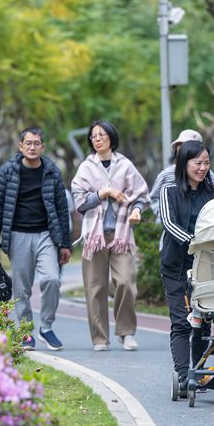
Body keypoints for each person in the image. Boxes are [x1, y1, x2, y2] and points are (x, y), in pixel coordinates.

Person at [0, 127, 72, 351]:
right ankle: (25, 331)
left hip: (46, 235)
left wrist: (64, 243)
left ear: (43, 147)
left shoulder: (52, 171)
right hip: (17, 235)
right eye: (28, 143)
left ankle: (46, 327)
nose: (32, 147)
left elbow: (62, 210)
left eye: (37, 143)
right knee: (22, 289)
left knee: (52, 279)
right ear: (21, 146)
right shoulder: (7, 172)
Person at [71, 120, 149, 352]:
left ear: (111, 137)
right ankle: (99, 338)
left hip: (121, 234)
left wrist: (136, 210)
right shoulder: (86, 167)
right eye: (94, 136)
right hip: (94, 237)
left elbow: (141, 195)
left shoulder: (124, 165)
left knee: (125, 282)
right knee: (95, 288)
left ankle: (126, 333)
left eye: (102, 134)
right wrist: (102, 193)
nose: (97, 139)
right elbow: (79, 202)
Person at [159, 140, 214, 391]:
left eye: (206, 163)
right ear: (184, 163)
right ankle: (183, 376)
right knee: (181, 322)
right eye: (197, 162)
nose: (202, 168)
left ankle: (197, 372)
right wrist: (195, 242)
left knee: (204, 321)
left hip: (207, 265)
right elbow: (168, 222)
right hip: (176, 265)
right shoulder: (169, 190)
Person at [150, 129, 214, 221]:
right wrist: (166, 213)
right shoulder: (166, 176)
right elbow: (154, 198)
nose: (183, 148)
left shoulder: (208, 175)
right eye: (180, 145)